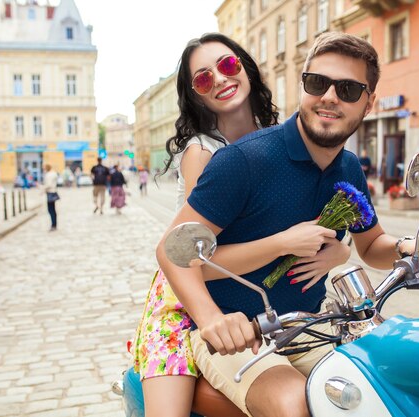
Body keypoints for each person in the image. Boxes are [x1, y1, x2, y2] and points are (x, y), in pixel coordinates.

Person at [156, 32, 419, 417]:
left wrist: (407, 247)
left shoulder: (349, 168)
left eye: (347, 89)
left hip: (311, 326)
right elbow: (172, 251)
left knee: (387, 387)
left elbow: (371, 244)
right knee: (297, 405)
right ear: (302, 87)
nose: (329, 97)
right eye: (317, 83)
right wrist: (212, 319)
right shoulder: (243, 161)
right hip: (243, 337)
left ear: (369, 103)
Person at [133, 33, 350, 417]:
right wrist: (284, 243)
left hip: (259, 302)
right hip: (187, 296)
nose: (219, 79)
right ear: (196, 94)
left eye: (228, 65)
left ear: (246, 69)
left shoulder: (283, 137)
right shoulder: (203, 151)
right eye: (203, 79)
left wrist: (339, 250)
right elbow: (192, 254)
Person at [43, 164, 59, 231]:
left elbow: (48, 185)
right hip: (54, 192)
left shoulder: (48, 175)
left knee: (51, 210)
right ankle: (54, 224)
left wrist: (42, 188)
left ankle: (53, 225)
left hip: (50, 193)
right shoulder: (54, 174)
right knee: (53, 210)